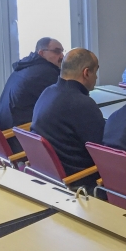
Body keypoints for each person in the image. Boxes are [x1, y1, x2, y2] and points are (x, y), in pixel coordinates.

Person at [31, 48, 105, 188]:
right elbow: (103, 152)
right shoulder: (83, 104)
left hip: (49, 178)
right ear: (86, 72)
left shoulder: (47, 92)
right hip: (81, 183)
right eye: (95, 72)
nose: (96, 77)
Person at [0, 37, 63, 133]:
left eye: (62, 52)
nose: (62, 56)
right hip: (18, 136)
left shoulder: (24, 67)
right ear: (41, 53)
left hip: (5, 131)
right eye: (57, 51)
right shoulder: (46, 72)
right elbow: (61, 106)